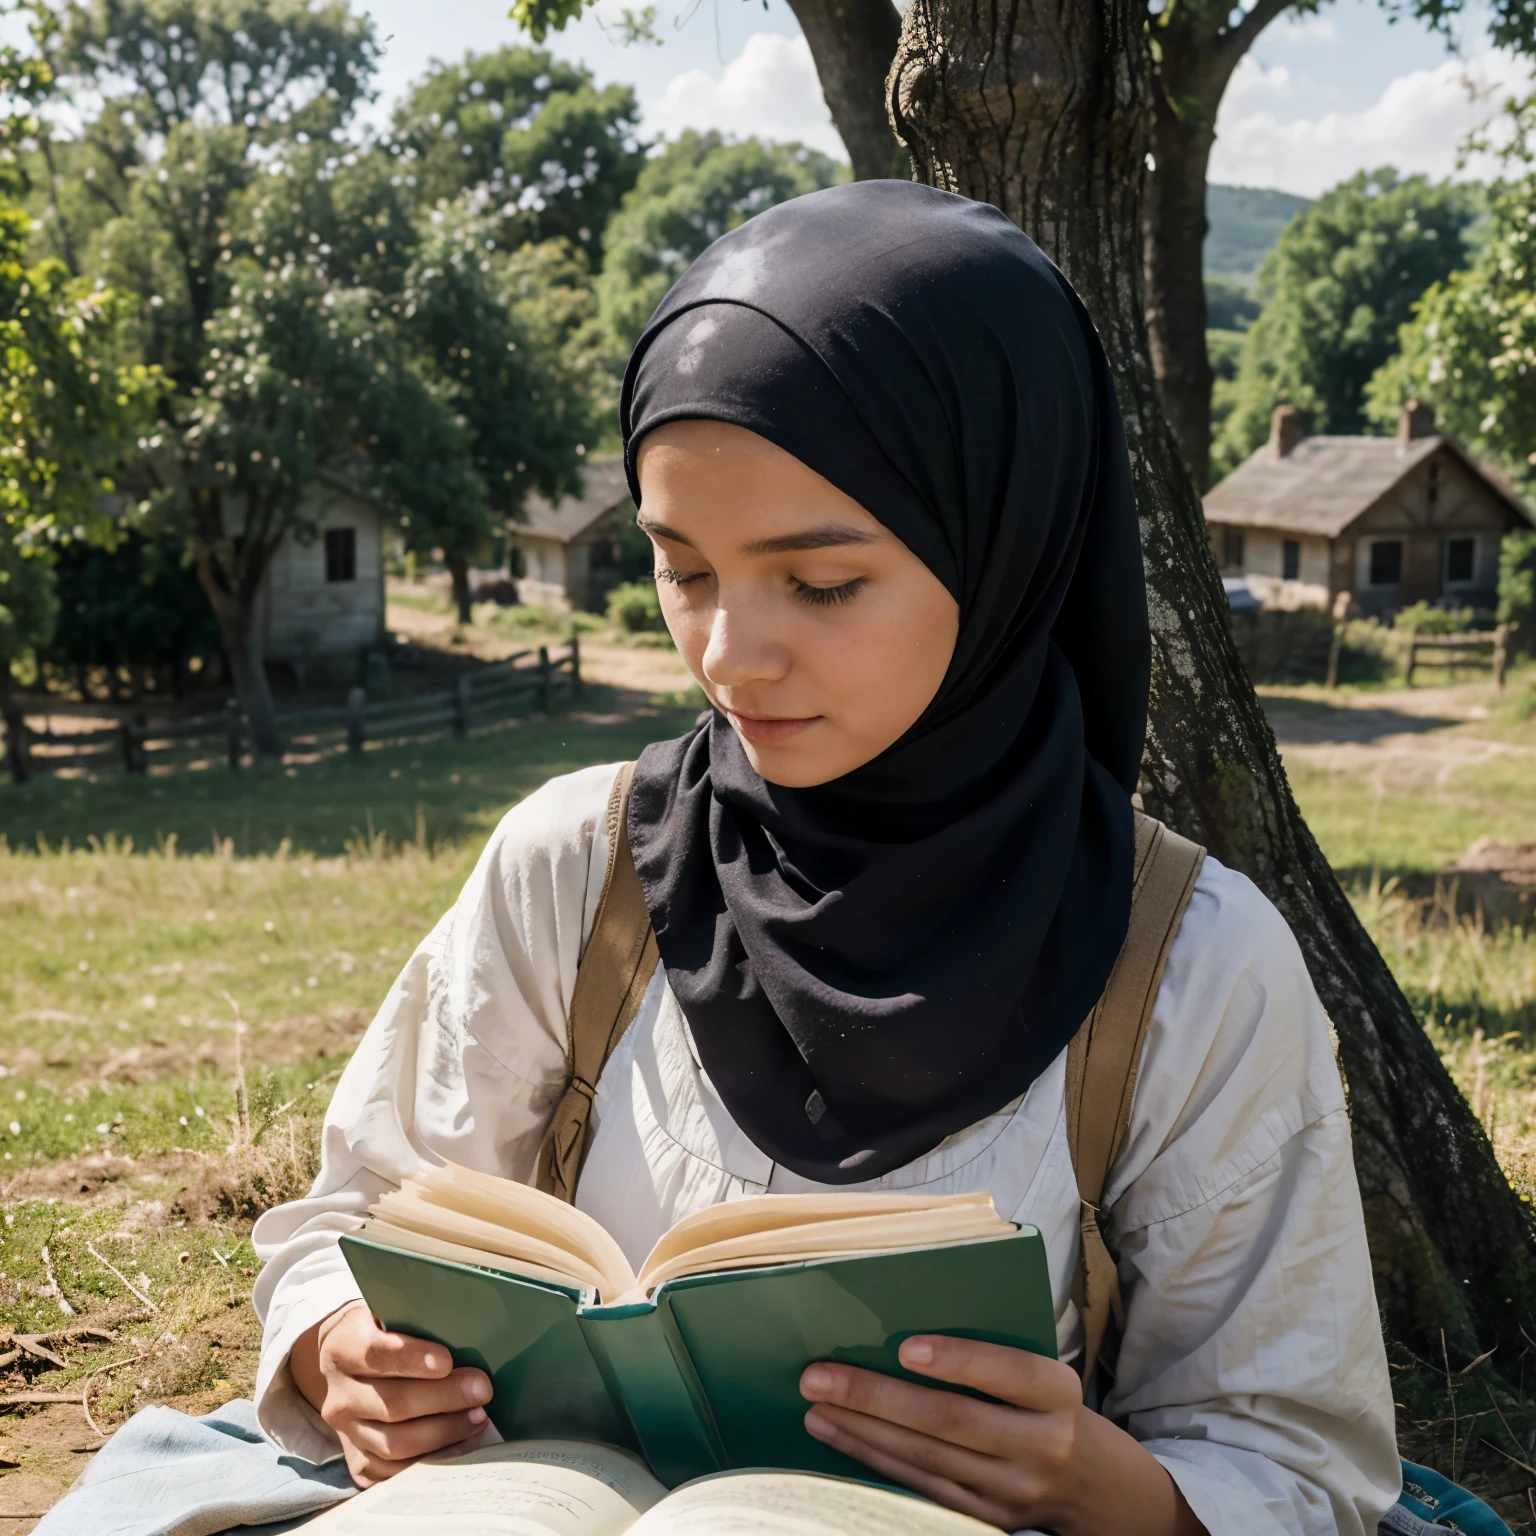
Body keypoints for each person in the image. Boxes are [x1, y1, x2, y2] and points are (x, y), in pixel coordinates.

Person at [251, 181, 1400, 1536]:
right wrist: (345, 1355)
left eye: (822, 581)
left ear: (1006, 546)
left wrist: (1094, 1483)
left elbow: (1297, 1470)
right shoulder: (576, 867)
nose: (731, 654)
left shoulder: (1194, 966)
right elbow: (351, 1220)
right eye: (685, 571)